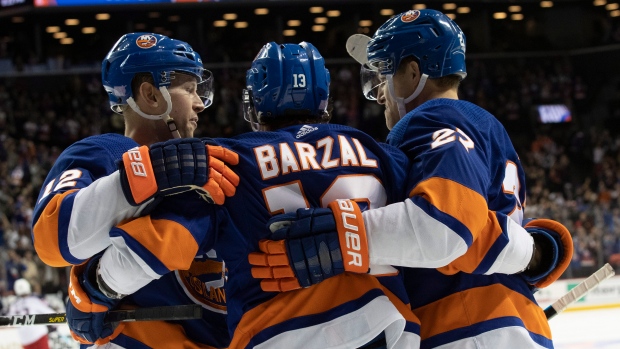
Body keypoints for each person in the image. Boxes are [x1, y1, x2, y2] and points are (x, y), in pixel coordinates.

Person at [249, 9, 573, 349]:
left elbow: (448, 224)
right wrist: (530, 249)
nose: (380, 92)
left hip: (465, 327)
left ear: (414, 73)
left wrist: (344, 237)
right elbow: (479, 224)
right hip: (511, 321)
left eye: (384, 74)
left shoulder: (436, 118)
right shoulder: (482, 125)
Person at [74, 41, 422, 348]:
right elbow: (431, 229)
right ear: (324, 98)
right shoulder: (381, 153)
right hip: (385, 326)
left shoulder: (230, 160)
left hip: (281, 334)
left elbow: (160, 245)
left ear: (255, 101)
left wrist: (95, 289)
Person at [31, 32, 239, 348]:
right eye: (188, 89)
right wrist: (152, 172)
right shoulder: (103, 151)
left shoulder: (212, 162)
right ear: (151, 95)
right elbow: (51, 239)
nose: (199, 103)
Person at [6, 278, 56, 349]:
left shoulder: (13, 305)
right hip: (39, 335)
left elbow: (9, 320)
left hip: (24, 339)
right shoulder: (34, 301)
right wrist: (54, 326)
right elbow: (51, 314)